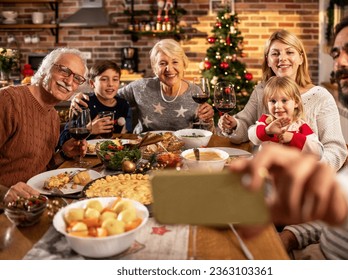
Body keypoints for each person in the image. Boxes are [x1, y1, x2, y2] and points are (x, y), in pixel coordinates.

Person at [230, 12, 348, 260]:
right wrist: (294, 235)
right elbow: (249, 129)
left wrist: (310, 183)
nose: (340, 63)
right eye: (336, 53)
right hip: (310, 240)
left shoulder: (325, 100)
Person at [219, 29, 347, 170]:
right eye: (275, 53)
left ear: (301, 58)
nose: (282, 58)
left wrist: (305, 170)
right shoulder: (261, 90)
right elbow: (246, 129)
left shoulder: (320, 97)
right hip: (262, 173)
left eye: (289, 52)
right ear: (268, 60)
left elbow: (336, 150)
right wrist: (234, 125)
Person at [0, 48, 89, 204]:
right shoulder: (8, 101)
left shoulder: (53, 117)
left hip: (36, 203)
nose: (69, 81)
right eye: (64, 71)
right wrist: (4, 193)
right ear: (45, 69)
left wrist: (64, 154)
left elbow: (40, 168)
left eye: (77, 79)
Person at [71, 39, 215, 133]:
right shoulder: (140, 87)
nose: (169, 69)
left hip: (183, 152)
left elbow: (205, 134)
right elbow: (108, 93)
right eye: (162, 63)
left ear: (184, 64)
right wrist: (81, 95)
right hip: (144, 151)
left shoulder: (195, 92)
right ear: (154, 68)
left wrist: (208, 121)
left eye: (175, 62)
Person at [248, 76, 323, 158]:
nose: (278, 106)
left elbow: (318, 153)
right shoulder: (266, 121)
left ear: (296, 103)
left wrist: (292, 138)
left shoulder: (300, 126)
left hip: (290, 169)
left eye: (284, 100)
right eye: (273, 101)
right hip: (265, 168)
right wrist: (267, 131)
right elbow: (252, 136)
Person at [59, 60, 132, 145]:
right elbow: (63, 138)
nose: (110, 84)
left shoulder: (123, 105)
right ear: (92, 83)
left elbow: (128, 134)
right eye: (104, 79)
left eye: (115, 79)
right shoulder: (83, 103)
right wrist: (89, 129)